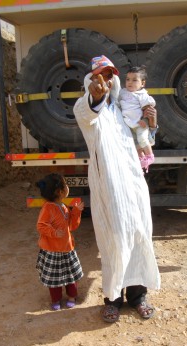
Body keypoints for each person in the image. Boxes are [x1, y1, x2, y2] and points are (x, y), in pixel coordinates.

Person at [73, 55, 160, 323]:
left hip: (133, 184)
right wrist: (95, 98)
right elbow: (87, 114)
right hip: (109, 188)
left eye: (110, 75)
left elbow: (142, 138)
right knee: (113, 241)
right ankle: (112, 299)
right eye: (100, 75)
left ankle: (138, 297)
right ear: (91, 79)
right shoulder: (86, 107)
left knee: (139, 234)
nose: (105, 80)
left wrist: (151, 123)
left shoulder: (123, 110)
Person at [35, 173, 84, 310]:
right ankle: (56, 300)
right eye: (66, 185)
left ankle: (71, 296)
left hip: (67, 249)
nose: (68, 187)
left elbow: (71, 226)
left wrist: (76, 212)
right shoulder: (48, 208)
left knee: (70, 276)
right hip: (52, 251)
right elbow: (41, 225)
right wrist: (54, 232)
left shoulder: (63, 206)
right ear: (59, 191)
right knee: (54, 279)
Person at [119, 66, 157, 173]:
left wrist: (144, 119)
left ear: (142, 83)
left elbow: (148, 108)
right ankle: (141, 160)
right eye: (128, 79)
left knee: (142, 139)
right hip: (129, 123)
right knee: (136, 144)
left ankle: (150, 156)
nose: (130, 82)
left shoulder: (142, 95)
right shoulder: (122, 92)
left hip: (141, 123)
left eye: (135, 80)